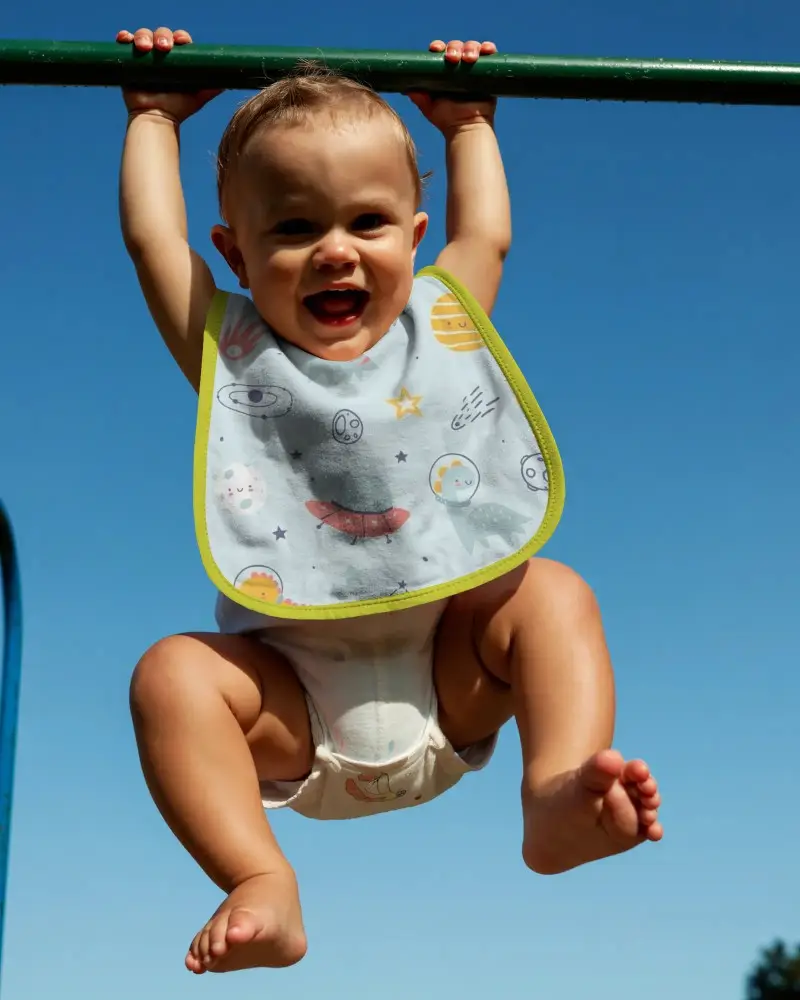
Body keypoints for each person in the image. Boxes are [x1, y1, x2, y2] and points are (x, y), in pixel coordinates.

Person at [117, 25, 663, 976]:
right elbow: (150, 239)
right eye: (292, 229)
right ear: (237, 254)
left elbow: (485, 231)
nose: (334, 251)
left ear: (412, 237)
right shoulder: (232, 355)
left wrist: (470, 125)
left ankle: (554, 792)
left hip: (455, 691)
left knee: (553, 592)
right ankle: (260, 876)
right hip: (291, 720)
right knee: (170, 673)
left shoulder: (445, 325)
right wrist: (154, 121)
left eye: (366, 223)